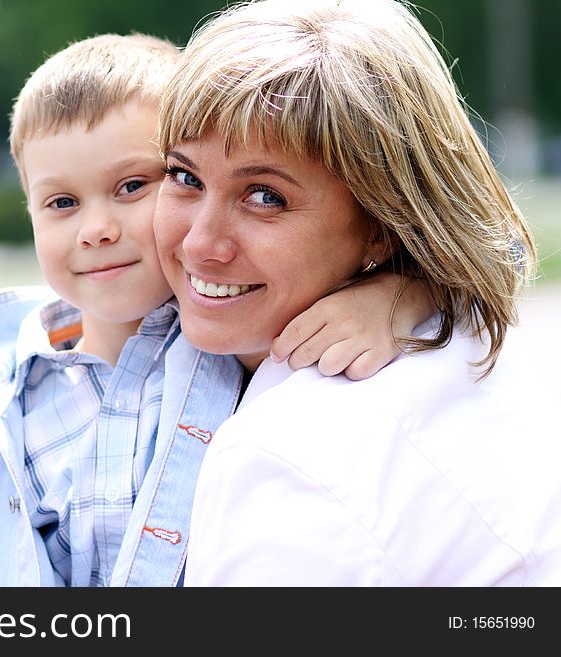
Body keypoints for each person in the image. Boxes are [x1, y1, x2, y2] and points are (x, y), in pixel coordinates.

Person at [0, 32, 433, 587]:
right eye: (62, 203)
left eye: (132, 186)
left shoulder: (235, 331)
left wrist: (400, 294)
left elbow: (488, 261)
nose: (96, 230)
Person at [150, 0, 560, 586]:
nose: (198, 243)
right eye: (184, 176)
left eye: (265, 196)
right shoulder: (460, 335)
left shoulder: (292, 457)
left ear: (381, 221)